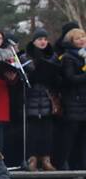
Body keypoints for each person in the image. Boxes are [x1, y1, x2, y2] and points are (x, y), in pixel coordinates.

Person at [21, 29, 59, 171]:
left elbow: (58, 79)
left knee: (47, 132)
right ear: (34, 41)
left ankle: (46, 159)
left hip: (47, 98)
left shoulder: (53, 57)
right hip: (31, 98)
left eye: (44, 39)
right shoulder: (26, 57)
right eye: (39, 39)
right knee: (33, 132)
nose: (43, 42)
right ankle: (32, 159)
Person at [58, 28, 86, 169]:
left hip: (84, 101)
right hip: (74, 101)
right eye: (78, 38)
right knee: (70, 135)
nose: (82, 40)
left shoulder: (84, 55)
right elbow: (70, 78)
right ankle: (64, 163)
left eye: (83, 37)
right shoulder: (68, 57)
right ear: (71, 41)